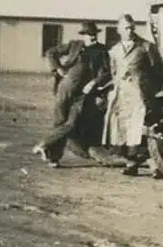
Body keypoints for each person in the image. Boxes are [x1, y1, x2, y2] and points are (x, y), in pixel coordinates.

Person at [33, 21, 111, 167]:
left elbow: (106, 72)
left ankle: (44, 143)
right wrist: (58, 69)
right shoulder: (74, 45)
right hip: (65, 88)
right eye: (89, 34)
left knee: (72, 124)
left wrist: (94, 82)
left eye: (94, 34)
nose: (92, 37)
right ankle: (53, 158)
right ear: (83, 35)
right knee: (59, 122)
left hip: (83, 94)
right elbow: (51, 52)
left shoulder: (102, 51)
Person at [103, 13, 163, 177]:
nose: (129, 31)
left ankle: (154, 165)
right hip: (122, 96)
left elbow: (159, 72)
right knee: (122, 129)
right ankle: (131, 163)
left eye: (131, 28)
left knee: (143, 129)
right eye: (125, 28)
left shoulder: (146, 47)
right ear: (119, 30)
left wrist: (150, 90)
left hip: (141, 95)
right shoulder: (115, 50)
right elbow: (113, 73)